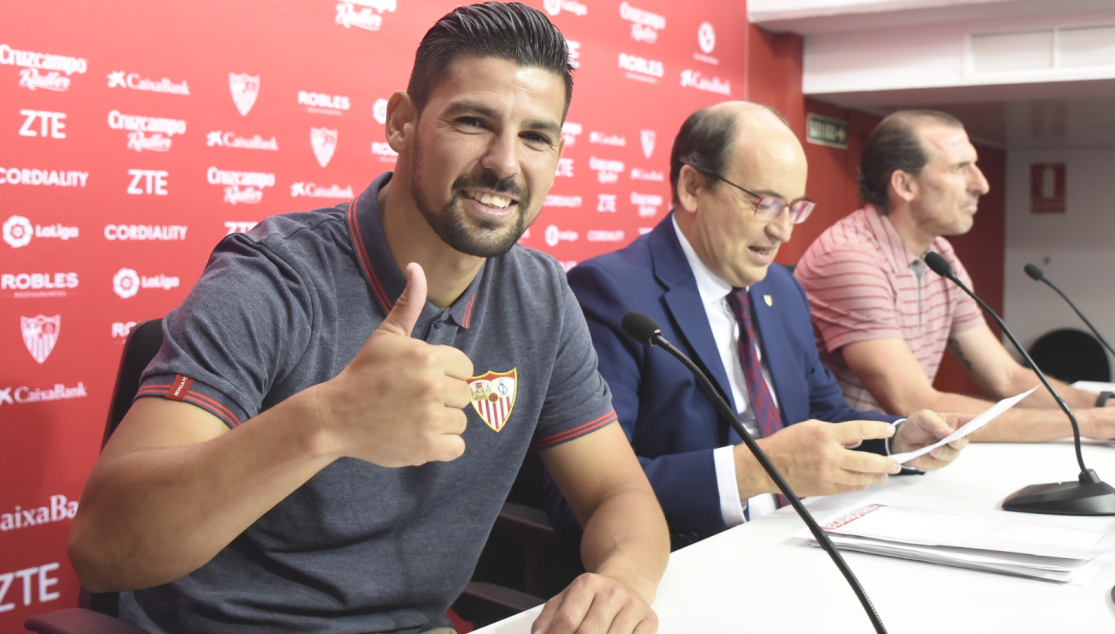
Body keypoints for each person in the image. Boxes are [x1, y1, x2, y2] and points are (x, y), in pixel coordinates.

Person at [67, 4, 669, 634]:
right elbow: (104, 546)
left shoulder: (542, 295)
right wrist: (327, 422)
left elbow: (619, 495)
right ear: (402, 123)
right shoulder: (272, 277)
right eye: (473, 121)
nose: (505, 162)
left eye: (535, 137)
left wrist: (623, 582)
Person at [544, 102, 968, 548]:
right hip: (690, 555)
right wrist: (757, 469)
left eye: (794, 208)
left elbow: (824, 418)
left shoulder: (782, 290)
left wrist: (898, 439)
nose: (783, 230)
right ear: (692, 187)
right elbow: (583, 496)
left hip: (801, 538)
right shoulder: (611, 292)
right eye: (765, 203)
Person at [794, 110, 1115, 442]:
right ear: (905, 185)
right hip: (850, 464)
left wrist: (1103, 405)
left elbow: (1005, 376)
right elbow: (914, 403)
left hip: (899, 457)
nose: (981, 184)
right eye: (960, 168)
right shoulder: (851, 257)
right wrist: (1089, 424)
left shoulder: (940, 255)